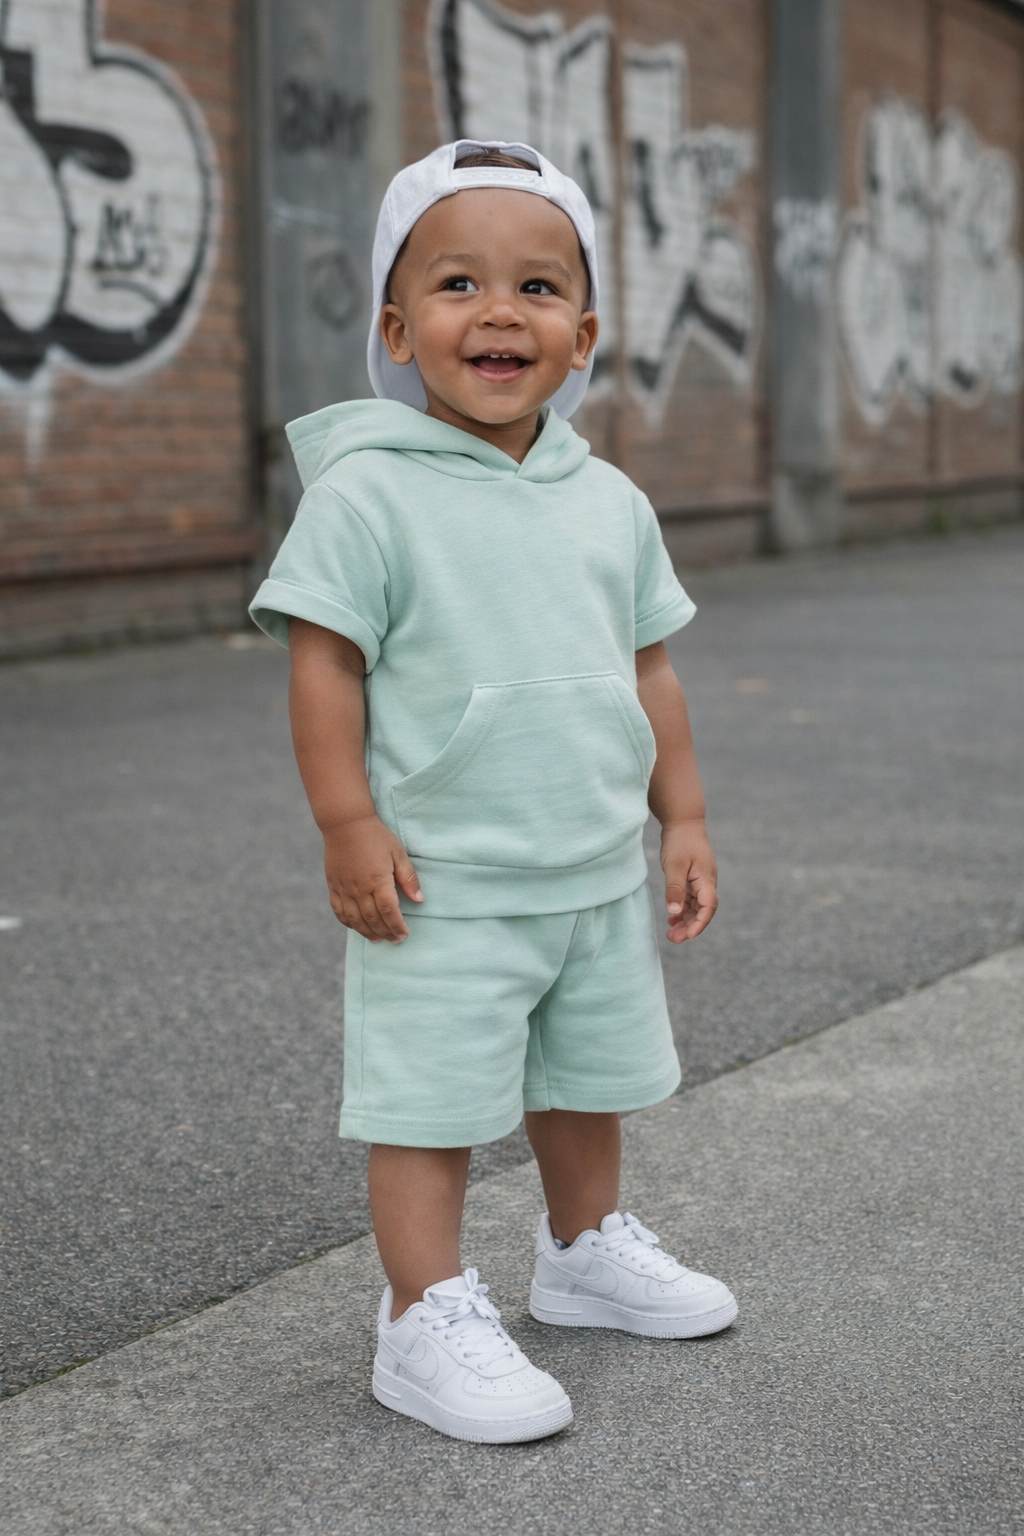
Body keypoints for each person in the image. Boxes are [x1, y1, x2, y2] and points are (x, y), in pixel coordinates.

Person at [249, 140, 737, 1444]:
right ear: (398, 329)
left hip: (592, 863)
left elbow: (650, 666)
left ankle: (582, 1251)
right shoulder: (368, 492)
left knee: (586, 1078)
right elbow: (323, 664)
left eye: (537, 287)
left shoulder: (609, 500)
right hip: (443, 877)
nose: (500, 312)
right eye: (458, 283)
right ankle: (422, 1315)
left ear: (584, 336)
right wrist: (347, 823)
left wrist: (683, 816)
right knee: (431, 1101)